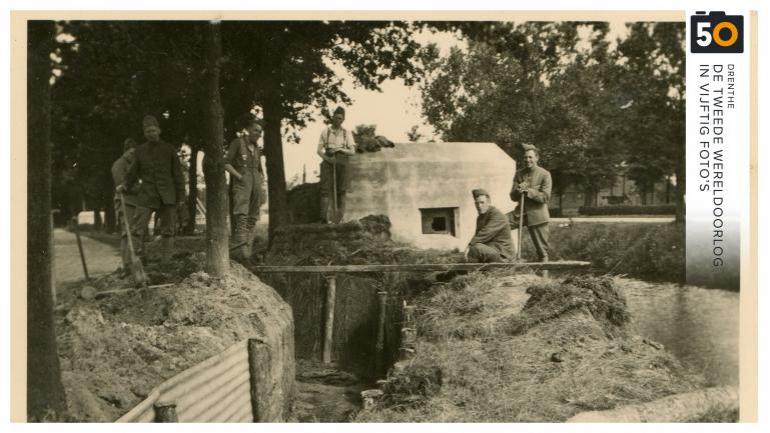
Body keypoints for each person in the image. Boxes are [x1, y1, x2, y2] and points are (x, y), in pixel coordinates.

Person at [118, 115, 185, 265]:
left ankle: (166, 263)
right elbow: (132, 173)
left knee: (168, 231)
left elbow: (178, 175)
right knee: (137, 230)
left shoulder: (169, 149)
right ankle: (134, 263)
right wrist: (124, 186)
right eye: (148, 131)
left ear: (159, 131)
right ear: (144, 134)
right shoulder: (140, 151)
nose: (151, 134)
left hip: (168, 197)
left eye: (153, 130)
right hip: (147, 196)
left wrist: (181, 197)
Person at [224, 119, 265, 259]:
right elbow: (226, 164)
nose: (258, 133)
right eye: (255, 130)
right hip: (242, 182)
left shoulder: (257, 149)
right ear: (248, 130)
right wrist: (239, 177)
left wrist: (261, 179)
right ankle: (239, 250)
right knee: (242, 214)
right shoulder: (237, 143)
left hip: (255, 183)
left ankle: (247, 250)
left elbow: (260, 168)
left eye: (260, 131)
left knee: (253, 216)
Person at [510, 145, 552, 262]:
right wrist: (518, 190)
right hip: (520, 213)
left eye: (530, 157)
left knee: (542, 252)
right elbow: (512, 196)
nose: (527, 160)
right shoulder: (519, 173)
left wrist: (529, 191)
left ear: (537, 158)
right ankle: (506, 257)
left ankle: (544, 278)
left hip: (538, 216)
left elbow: (545, 198)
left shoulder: (545, 174)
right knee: (501, 224)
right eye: (525, 158)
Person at [317, 106, 356, 223]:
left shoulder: (346, 133)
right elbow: (318, 151)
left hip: (342, 162)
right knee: (325, 190)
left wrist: (340, 150)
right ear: (332, 118)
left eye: (341, 118)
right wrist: (328, 159)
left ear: (343, 120)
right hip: (328, 160)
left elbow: (352, 151)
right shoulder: (325, 132)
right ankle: (324, 218)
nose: (338, 120)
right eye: (336, 117)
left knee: (342, 190)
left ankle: (339, 219)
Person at [111, 138, 139, 274]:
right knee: (126, 233)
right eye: (131, 152)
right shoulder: (119, 165)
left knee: (133, 232)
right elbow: (121, 185)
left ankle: (133, 262)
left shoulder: (133, 164)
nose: (133, 155)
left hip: (135, 202)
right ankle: (126, 264)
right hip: (124, 202)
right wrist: (140, 187)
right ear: (126, 151)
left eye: (135, 153)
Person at [465, 189, 515, 263]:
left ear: (488, 202)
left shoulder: (497, 215)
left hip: (503, 255)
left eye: (482, 203)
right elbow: (478, 235)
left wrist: (469, 246)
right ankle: (470, 270)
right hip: (492, 250)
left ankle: (472, 272)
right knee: (470, 251)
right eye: (476, 203)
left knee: (476, 248)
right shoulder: (480, 217)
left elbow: (485, 233)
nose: (479, 206)